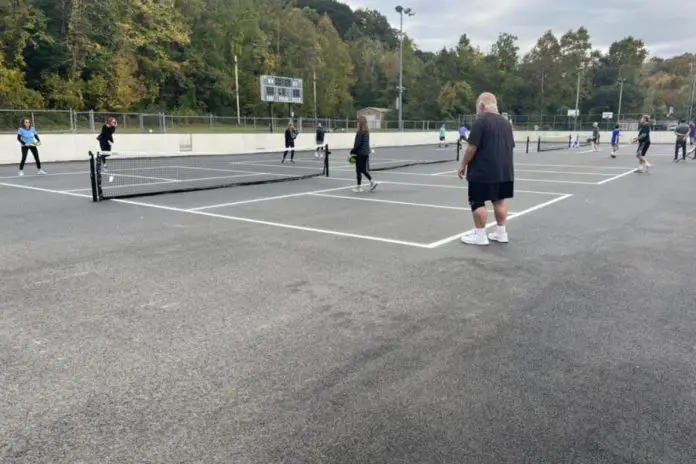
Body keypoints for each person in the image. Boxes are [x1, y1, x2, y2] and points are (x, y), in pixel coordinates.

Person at [457, 92, 514, 246]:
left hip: (482, 171)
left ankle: (480, 235)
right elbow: (510, 146)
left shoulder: (481, 122)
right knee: (499, 201)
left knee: (477, 202)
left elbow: (472, 147)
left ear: (482, 105)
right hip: (504, 171)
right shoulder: (506, 123)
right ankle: (501, 233)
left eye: (477, 108)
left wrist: (463, 164)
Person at [351, 116, 378, 193]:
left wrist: (352, 151)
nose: (357, 124)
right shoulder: (366, 132)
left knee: (358, 170)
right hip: (366, 153)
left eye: (358, 122)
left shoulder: (360, 132)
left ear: (360, 123)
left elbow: (358, 144)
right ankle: (372, 181)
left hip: (360, 153)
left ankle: (359, 187)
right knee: (362, 169)